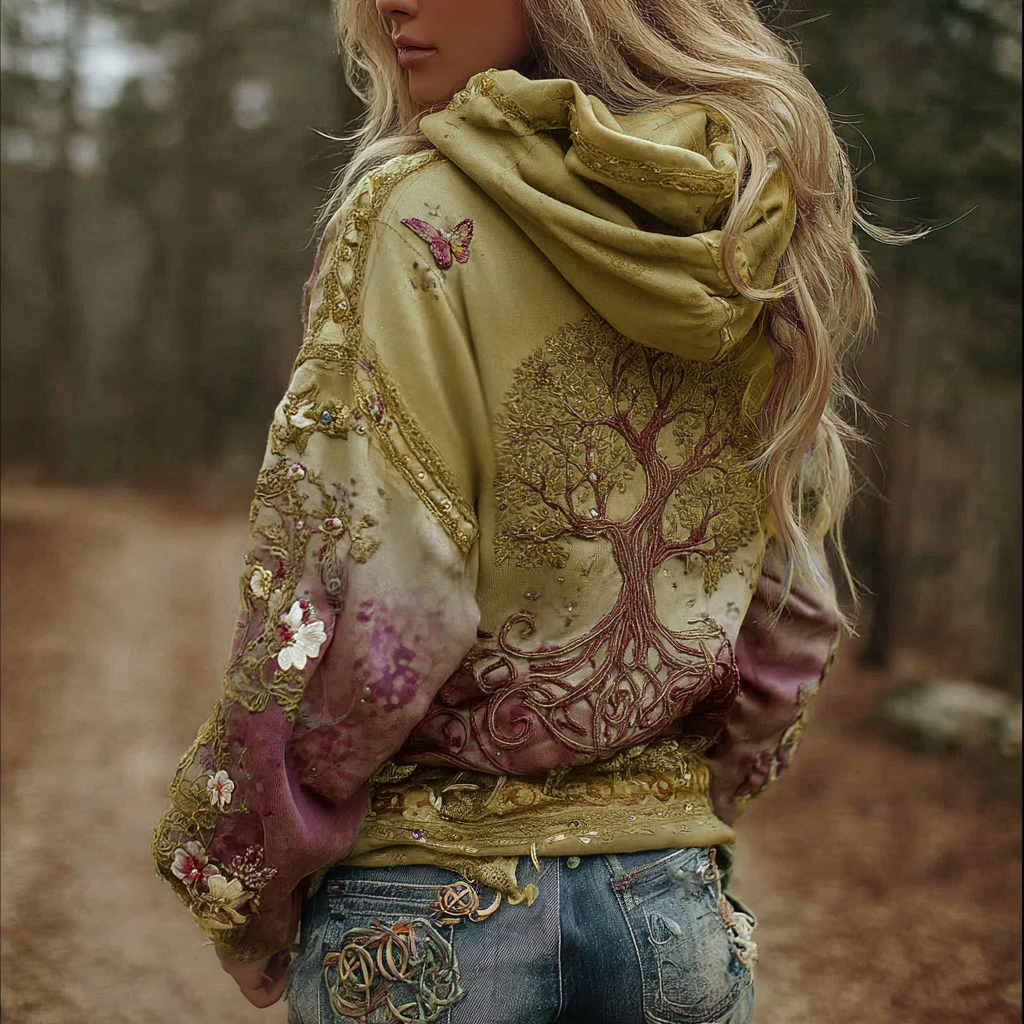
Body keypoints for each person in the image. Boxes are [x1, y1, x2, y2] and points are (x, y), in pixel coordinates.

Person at [151, 0, 883, 1020]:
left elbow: (370, 607)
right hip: (669, 911)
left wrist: (242, 876)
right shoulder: (746, 217)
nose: (390, 3)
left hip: (426, 917)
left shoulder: (415, 213)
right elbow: (791, 592)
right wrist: (684, 803)